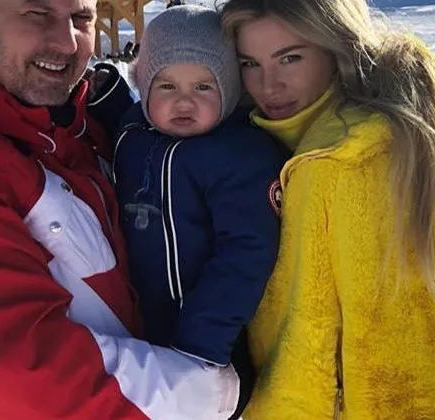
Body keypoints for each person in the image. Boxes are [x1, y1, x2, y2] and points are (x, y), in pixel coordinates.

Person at [0, 0, 241, 418]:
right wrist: (214, 393)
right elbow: (28, 372)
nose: (67, 42)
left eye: (81, 18)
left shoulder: (86, 125)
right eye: (37, 14)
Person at [219, 0, 435, 418]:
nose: (268, 85)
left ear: (336, 48)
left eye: (290, 58)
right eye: (249, 63)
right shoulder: (282, 145)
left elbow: (404, 356)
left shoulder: (355, 161)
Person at [96, 5, 284, 418]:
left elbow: (245, 253)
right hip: (138, 331)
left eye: (203, 87)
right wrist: (106, 98)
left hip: (207, 348)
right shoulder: (136, 129)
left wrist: (200, 344)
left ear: (229, 89)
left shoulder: (240, 156)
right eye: (167, 85)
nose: (184, 101)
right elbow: (121, 119)